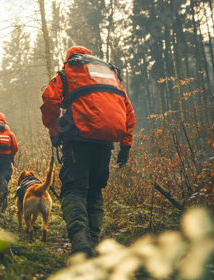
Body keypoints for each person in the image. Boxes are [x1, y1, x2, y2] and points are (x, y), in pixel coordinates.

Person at [40, 46, 136, 257]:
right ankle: (95, 242)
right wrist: (125, 144)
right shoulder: (109, 75)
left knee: (73, 189)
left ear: (70, 59)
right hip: (106, 143)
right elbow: (127, 110)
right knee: (95, 190)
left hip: (78, 141)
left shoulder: (69, 72)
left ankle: (80, 243)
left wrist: (54, 130)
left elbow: (49, 100)